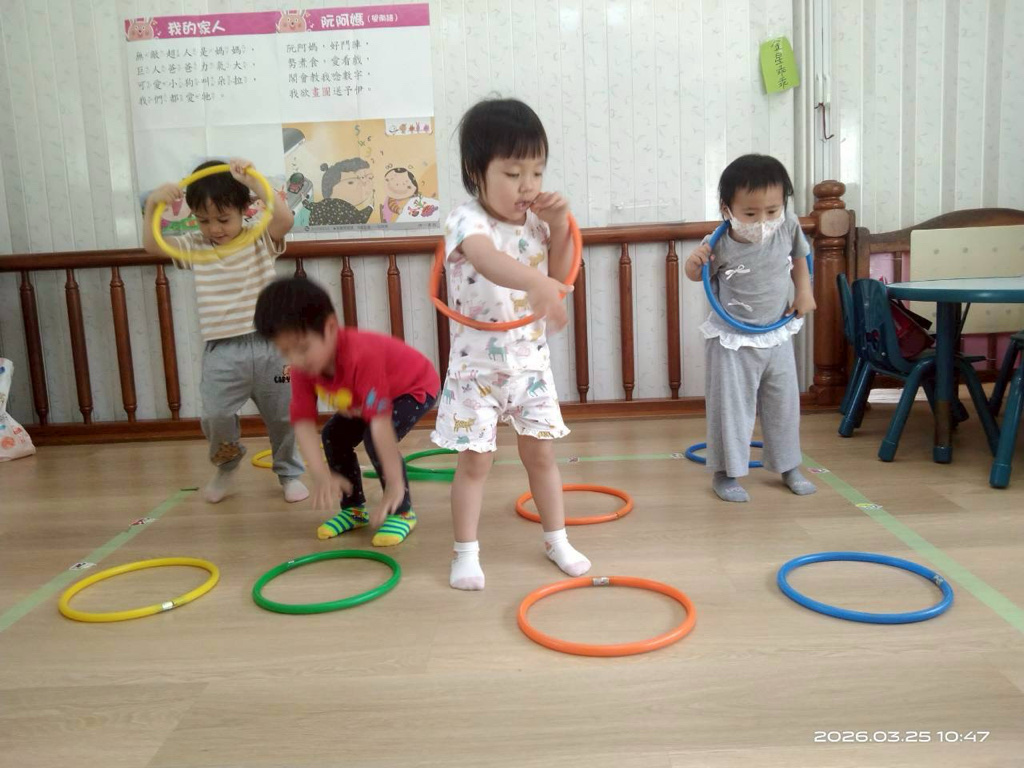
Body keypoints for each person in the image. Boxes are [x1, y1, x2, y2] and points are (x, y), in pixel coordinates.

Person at [432, 98, 590, 590]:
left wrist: (560, 226)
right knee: (475, 463)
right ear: (475, 172)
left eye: (537, 172)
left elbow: (561, 274)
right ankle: (465, 553)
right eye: (513, 172)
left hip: (530, 367)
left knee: (541, 457)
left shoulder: (538, 222)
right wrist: (535, 282)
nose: (528, 185)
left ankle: (557, 540)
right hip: (475, 371)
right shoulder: (466, 221)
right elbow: (485, 259)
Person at [143, 158, 307, 504]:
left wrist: (254, 182)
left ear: (244, 210)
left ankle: (290, 473)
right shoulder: (195, 246)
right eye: (204, 220)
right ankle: (227, 464)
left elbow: (284, 220)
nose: (214, 229)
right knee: (215, 414)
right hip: (223, 350)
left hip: (273, 347)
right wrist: (154, 205)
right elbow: (153, 247)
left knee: (284, 414)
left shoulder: (258, 237)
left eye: (223, 219)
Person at [255, 277, 440, 546]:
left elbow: (380, 426)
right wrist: (320, 474)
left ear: (331, 327)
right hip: (367, 399)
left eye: (302, 348)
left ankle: (402, 511)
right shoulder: (302, 368)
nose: (296, 360)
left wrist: (394, 483)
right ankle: (353, 510)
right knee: (333, 435)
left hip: (413, 388)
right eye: (285, 352)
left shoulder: (361, 355)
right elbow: (303, 424)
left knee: (374, 439)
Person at [685, 154, 818, 503]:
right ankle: (725, 473)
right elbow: (696, 275)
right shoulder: (718, 243)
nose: (762, 221)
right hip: (732, 341)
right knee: (731, 410)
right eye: (750, 214)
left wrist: (804, 291)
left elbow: (800, 259)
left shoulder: (788, 227)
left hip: (776, 335)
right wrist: (693, 263)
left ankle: (788, 466)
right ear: (727, 209)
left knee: (783, 405)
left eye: (772, 210)